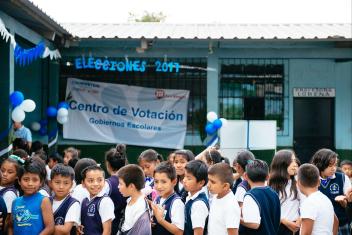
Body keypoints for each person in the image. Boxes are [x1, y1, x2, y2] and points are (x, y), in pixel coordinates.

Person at [311, 148, 352, 234]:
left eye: (335, 165)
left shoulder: (342, 178)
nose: (334, 168)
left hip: (341, 224)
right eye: (330, 166)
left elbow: (349, 203)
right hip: (319, 225)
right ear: (320, 164)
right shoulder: (311, 179)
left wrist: (346, 203)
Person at [8, 158, 54, 235]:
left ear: (41, 182)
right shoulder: (15, 202)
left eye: (35, 180)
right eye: (26, 179)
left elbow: (50, 227)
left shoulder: (44, 201)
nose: (30, 183)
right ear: (19, 181)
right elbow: (11, 226)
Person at [240, 159, 281, 235]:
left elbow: (254, 224)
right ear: (268, 176)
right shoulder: (274, 194)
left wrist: (238, 218)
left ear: (245, 176)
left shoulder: (250, 196)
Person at [297, 163, 338, 235]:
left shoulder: (309, 203)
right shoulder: (325, 199)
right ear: (319, 182)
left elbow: (306, 233)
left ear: (298, 183)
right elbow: (336, 222)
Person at [269, 149, 302, 235]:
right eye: (291, 161)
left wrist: (299, 221)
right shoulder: (270, 185)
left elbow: (306, 203)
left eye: (295, 161)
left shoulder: (298, 181)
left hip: (297, 226)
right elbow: (269, 210)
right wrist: (285, 221)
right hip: (278, 227)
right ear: (281, 164)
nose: (295, 164)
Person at [150, 161, 185, 235]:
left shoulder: (177, 203)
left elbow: (179, 232)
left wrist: (160, 220)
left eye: (164, 182)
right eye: (156, 181)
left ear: (174, 181)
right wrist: (151, 222)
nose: (159, 186)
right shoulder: (157, 199)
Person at [79, 165, 115, 235]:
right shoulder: (85, 200)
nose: (96, 184)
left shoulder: (105, 201)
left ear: (104, 181)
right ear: (83, 183)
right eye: (91, 181)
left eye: (100, 180)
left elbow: (107, 231)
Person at [117, 164, 151, 235]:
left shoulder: (140, 206)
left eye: (120, 184)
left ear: (131, 186)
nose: (118, 187)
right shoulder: (130, 199)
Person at [207, 163, 240, 235]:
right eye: (208, 180)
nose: (208, 185)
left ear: (225, 186)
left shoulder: (230, 206)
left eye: (213, 182)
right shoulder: (216, 195)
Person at [104, 144, 128, 235]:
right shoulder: (129, 183)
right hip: (121, 227)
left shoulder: (106, 184)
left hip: (106, 227)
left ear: (108, 164)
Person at [50, 164, 80, 235]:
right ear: (51, 183)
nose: (61, 187)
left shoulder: (73, 203)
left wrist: (43, 228)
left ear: (71, 184)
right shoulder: (46, 201)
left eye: (66, 183)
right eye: (57, 182)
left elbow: (65, 230)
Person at [183, 160, 209, 235]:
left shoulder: (198, 204)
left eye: (189, 178)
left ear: (201, 183)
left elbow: (198, 233)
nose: (184, 180)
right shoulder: (190, 196)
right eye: (185, 176)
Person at [0, 155, 21, 230]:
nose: (4, 174)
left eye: (10, 172)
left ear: (17, 176)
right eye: (2, 170)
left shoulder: (9, 194)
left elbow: (7, 221)